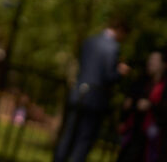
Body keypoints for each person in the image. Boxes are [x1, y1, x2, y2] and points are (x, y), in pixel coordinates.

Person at [55, 23, 131, 162]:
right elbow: (108, 76)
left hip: (78, 94)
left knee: (68, 135)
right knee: (84, 139)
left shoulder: (89, 41)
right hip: (95, 98)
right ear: (120, 31)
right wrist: (120, 73)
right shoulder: (113, 48)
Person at [118, 50, 165, 162]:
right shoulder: (142, 81)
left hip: (155, 138)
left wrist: (151, 106)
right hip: (135, 131)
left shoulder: (163, 87)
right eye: (150, 60)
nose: (150, 63)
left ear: (163, 64)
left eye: (154, 60)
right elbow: (128, 103)